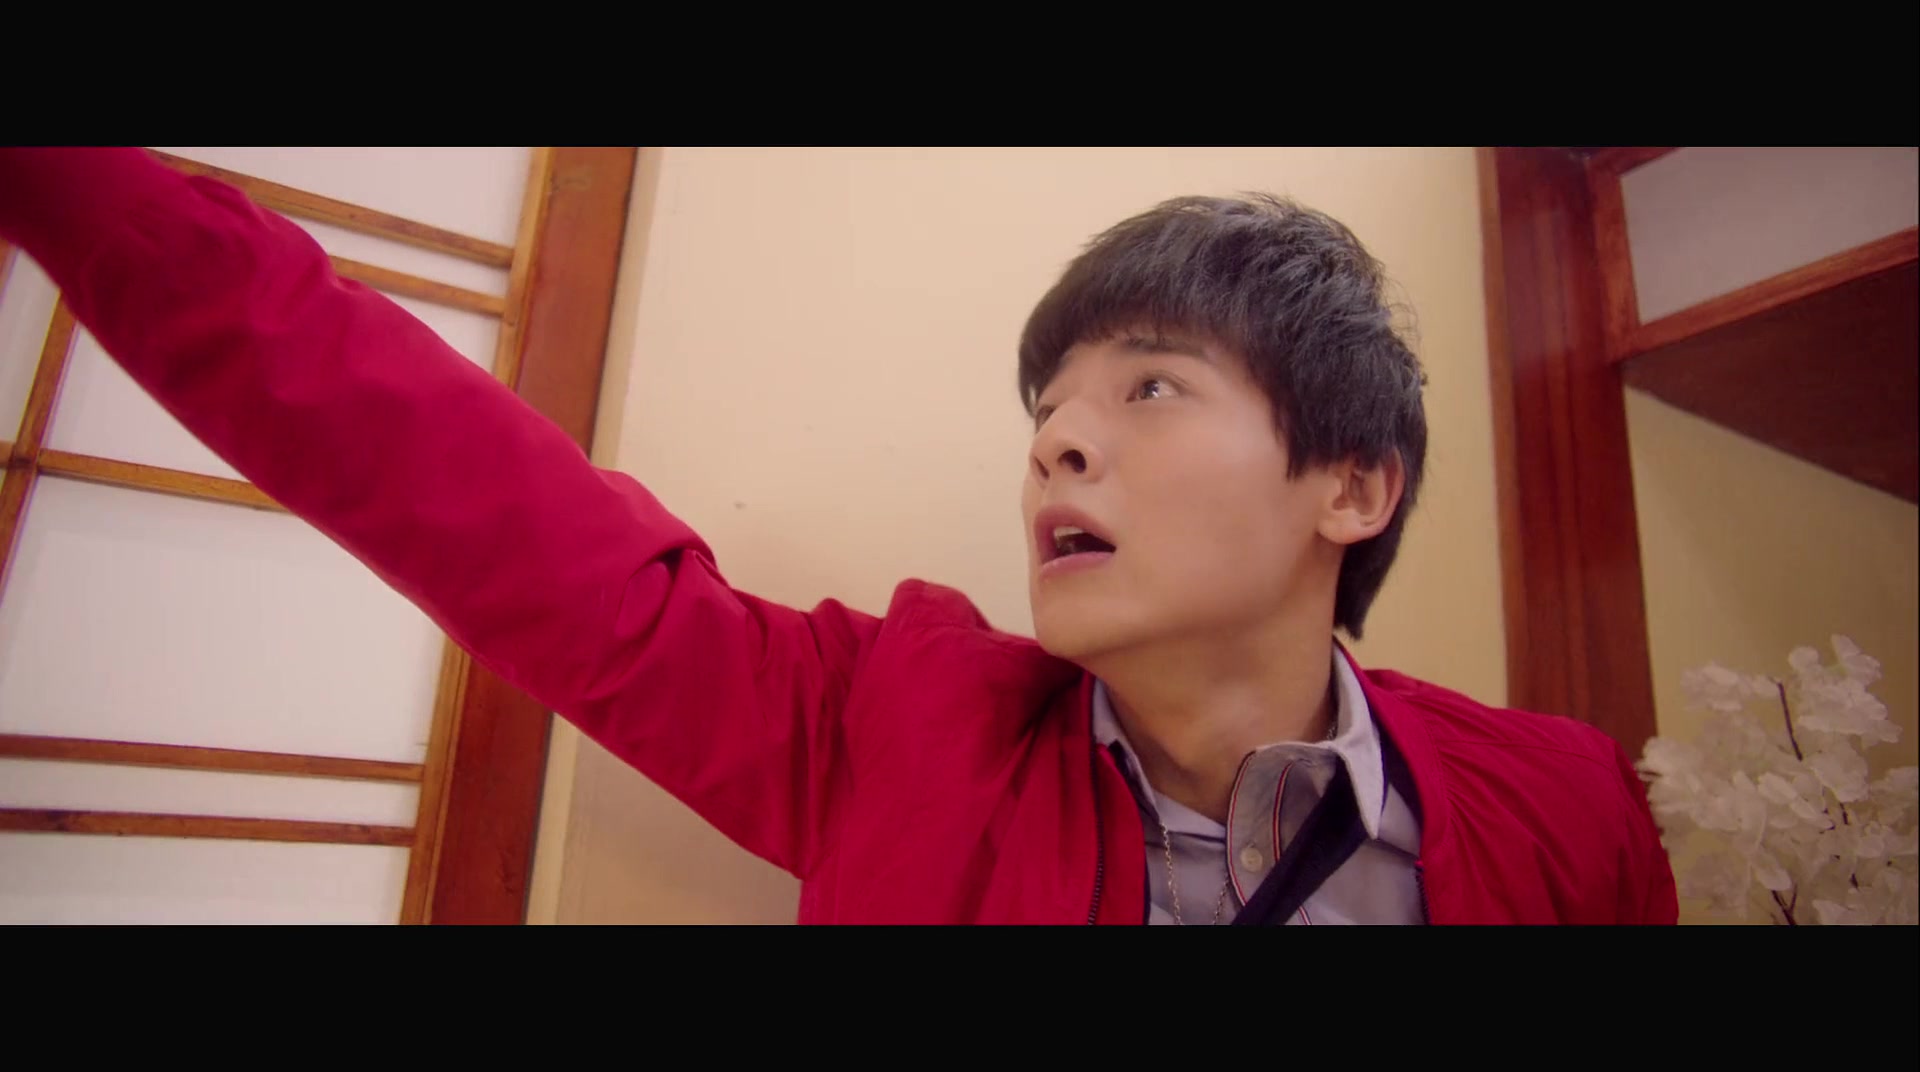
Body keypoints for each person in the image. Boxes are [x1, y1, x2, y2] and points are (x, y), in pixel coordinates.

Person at [0, 147, 1678, 924]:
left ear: (1354, 487)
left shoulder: (1576, 810)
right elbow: (444, 475)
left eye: (1149, 387)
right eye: (1048, 410)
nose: (1059, 440)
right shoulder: (898, 729)